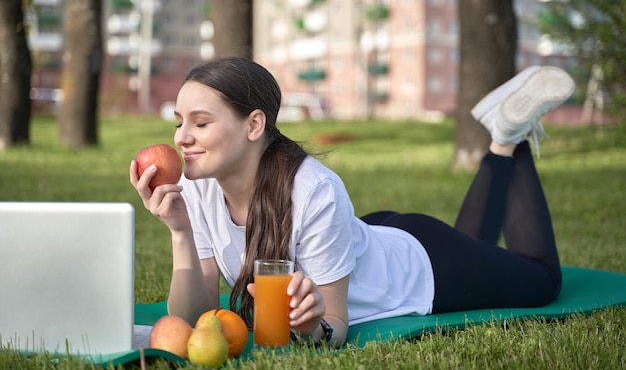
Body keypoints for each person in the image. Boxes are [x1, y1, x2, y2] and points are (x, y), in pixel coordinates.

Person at [130, 58, 574, 348]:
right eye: (179, 122)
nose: (181, 138)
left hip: (423, 268)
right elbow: (192, 318)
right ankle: (500, 144)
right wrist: (179, 231)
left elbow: (336, 326)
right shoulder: (200, 185)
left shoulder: (313, 189)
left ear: (254, 125)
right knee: (476, 241)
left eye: (200, 122)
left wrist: (314, 325)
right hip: (366, 239)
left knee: (542, 279)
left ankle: (509, 139)